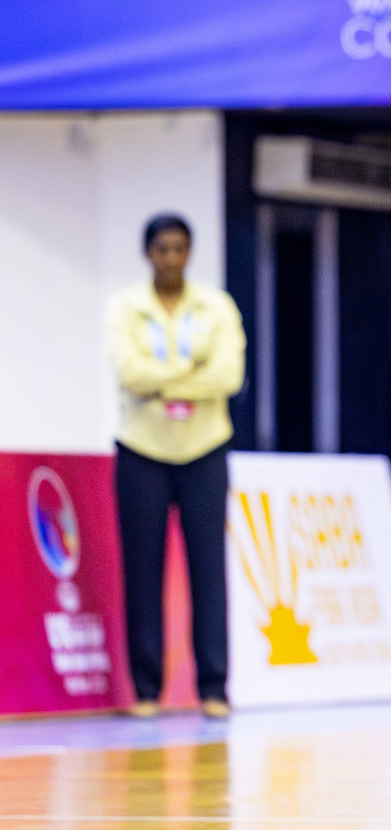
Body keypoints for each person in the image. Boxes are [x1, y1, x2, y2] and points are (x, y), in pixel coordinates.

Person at [107, 213, 246, 719]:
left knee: (208, 569)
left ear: (191, 252)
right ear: (148, 253)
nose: (171, 258)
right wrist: (189, 375)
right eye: (162, 249)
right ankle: (146, 690)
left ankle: (213, 687)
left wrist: (160, 383)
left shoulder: (216, 307)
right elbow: (128, 371)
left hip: (204, 448)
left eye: (180, 249)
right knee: (142, 570)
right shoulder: (126, 307)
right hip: (142, 449)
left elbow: (228, 376)